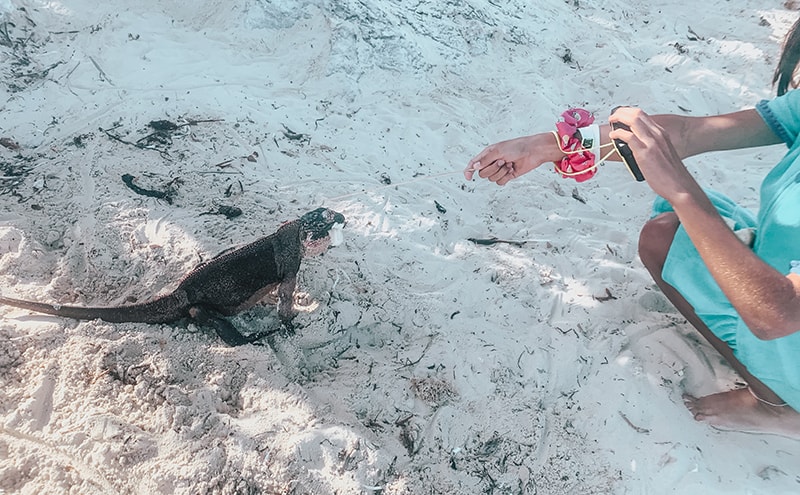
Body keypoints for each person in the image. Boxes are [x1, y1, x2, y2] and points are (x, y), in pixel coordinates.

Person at [464, 18, 800, 438]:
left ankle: (779, 406)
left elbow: (777, 315)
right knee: (665, 235)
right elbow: (689, 133)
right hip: (782, 281)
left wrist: (679, 187)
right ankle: (773, 390)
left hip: (782, 315)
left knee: (688, 226)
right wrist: (547, 145)